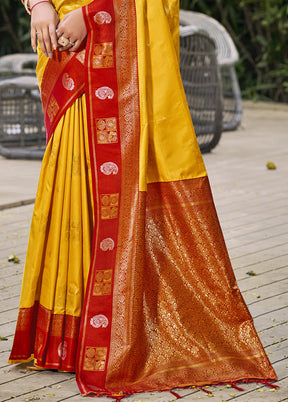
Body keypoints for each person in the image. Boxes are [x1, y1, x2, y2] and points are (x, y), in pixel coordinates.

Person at [9, 0, 277, 399]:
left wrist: (93, 14)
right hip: (63, 42)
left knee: (111, 187)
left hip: (107, 43)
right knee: (69, 183)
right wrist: (38, 5)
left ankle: (107, 339)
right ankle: (67, 340)